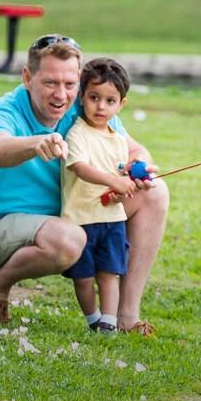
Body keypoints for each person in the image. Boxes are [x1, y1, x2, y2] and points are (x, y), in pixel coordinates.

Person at [0, 34, 167, 335]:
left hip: (63, 220)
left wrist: (138, 168)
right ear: (28, 77)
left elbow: (134, 149)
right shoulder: (1, 110)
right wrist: (35, 143)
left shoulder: (85, 107)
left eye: (70, 84)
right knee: (69, 239)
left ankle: (126, 316)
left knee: (155, 192)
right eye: (51, 83)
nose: (61, 95)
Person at [61, 58, 136, 334]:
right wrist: (114, 180)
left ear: (121, 104)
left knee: (110, 273)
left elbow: (115, 174)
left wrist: (118, 191)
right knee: (82, 278)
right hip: (80, 220)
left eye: (109, 100)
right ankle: (93, 319)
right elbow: (80, 168)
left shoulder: (118, 139)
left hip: (112, 219)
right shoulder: (77, 133)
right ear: (82, 97)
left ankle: (109, 322)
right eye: (94, 98)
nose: (101, 106)